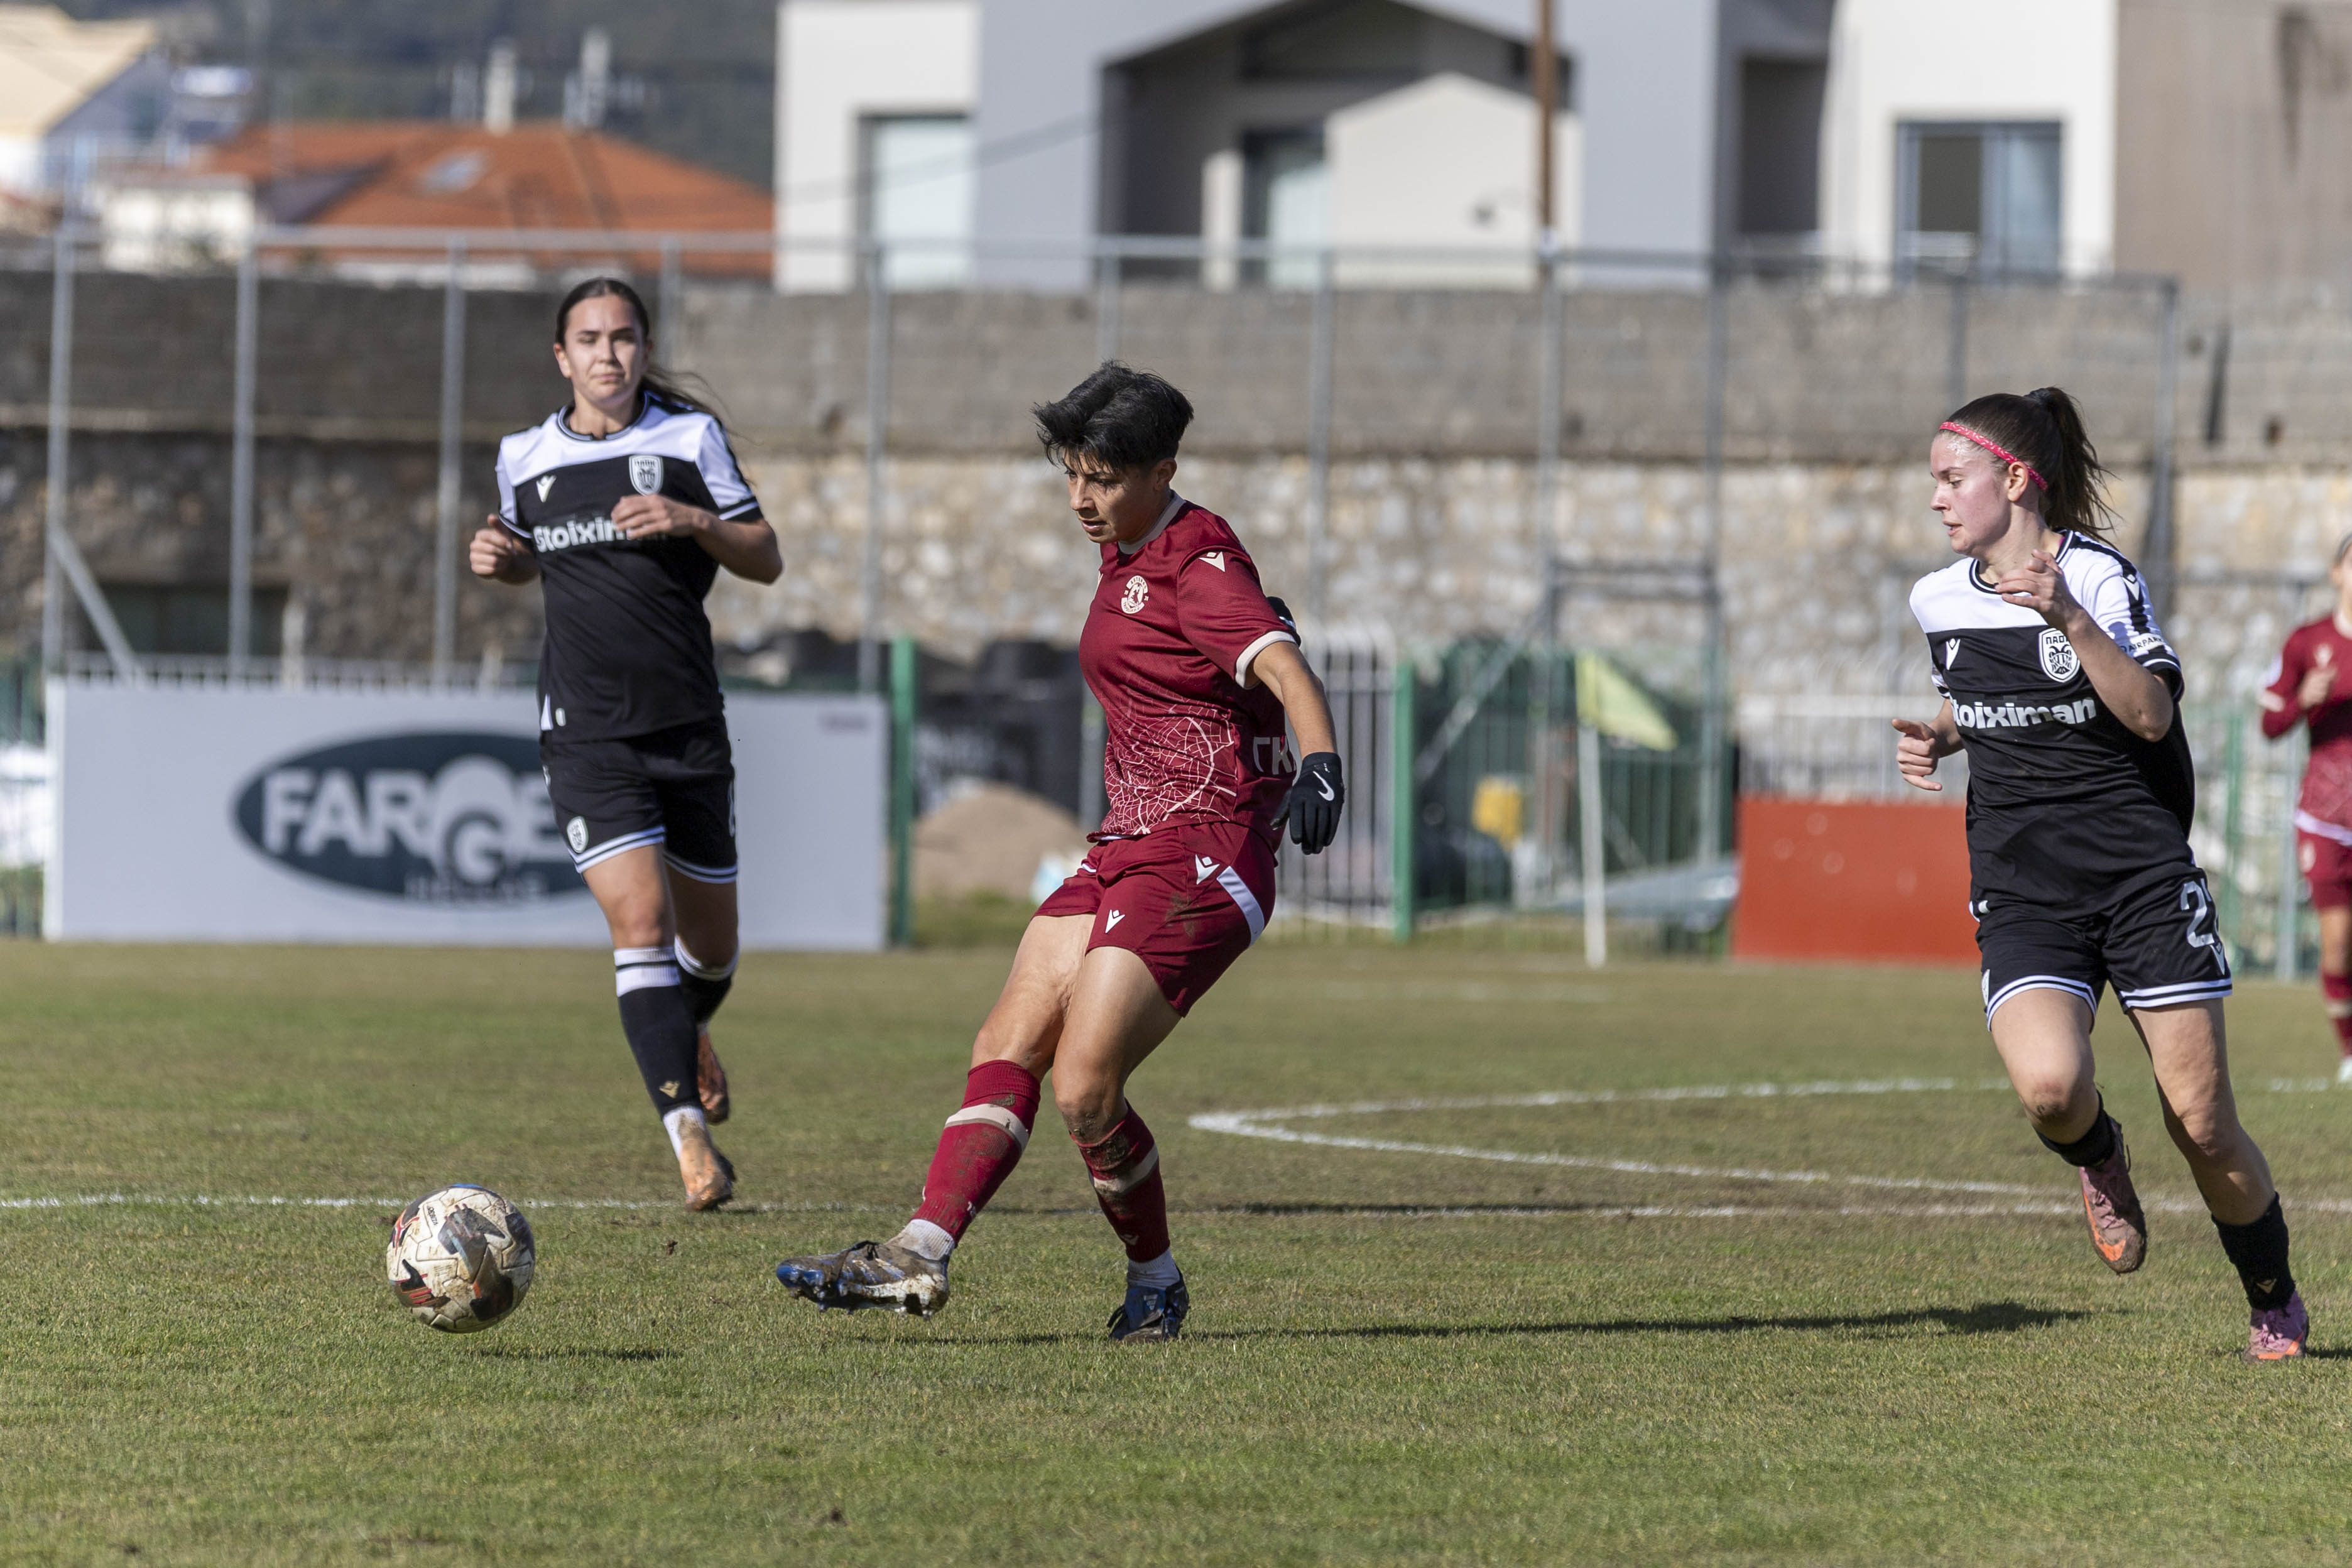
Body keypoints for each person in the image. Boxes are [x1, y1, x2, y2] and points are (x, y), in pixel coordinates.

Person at [771, 363, 1344, 1341]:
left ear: (1163, 472)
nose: (1082, 498)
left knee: (1084, 1087)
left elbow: (1285, 665)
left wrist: (1322, 763)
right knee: (1008, 1042)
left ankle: (1155, 1284)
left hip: (1205, 852)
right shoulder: (1126, 549)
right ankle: (918, 1253)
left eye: (1104, 479)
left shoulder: (1199, 566)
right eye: (1072, 474)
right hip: (1126, 843)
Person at [1892, 388, 2307, 1360]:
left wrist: (2070, 617)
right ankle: (2099, 1154)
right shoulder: (1936, 598)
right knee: (2050, 1089)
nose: (1938, 499)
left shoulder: (2097, 578)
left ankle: (2272, 1293)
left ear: (2015, 480)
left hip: (2139, 880)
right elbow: (1982, 694)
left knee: (2202, 1123)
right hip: (2024, 886)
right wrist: (1944, 734)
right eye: (1935, 483)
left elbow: (2152, 716)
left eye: (1952, 479)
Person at [470, 277, 781, 1211]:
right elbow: (525, 555)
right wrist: (501, 561)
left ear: (644, 349)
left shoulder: (689, 441)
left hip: (687, 727)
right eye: (590, 339)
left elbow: (765, 556)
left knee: (712, 950)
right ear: (561, 357)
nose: (607, 354)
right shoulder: (523, 456)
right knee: (641, 926)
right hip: (585, 732)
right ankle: (689, 1143)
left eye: (623, 338)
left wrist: (694, 521)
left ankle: (689, 1028)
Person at [2260, 533, 2352, 1083]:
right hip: (2326, 816)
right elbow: (2270, 724)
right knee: (2338, 944)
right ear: (2337, 571)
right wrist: (2303, 700)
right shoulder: (2307, 641)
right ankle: (2350, 1054)